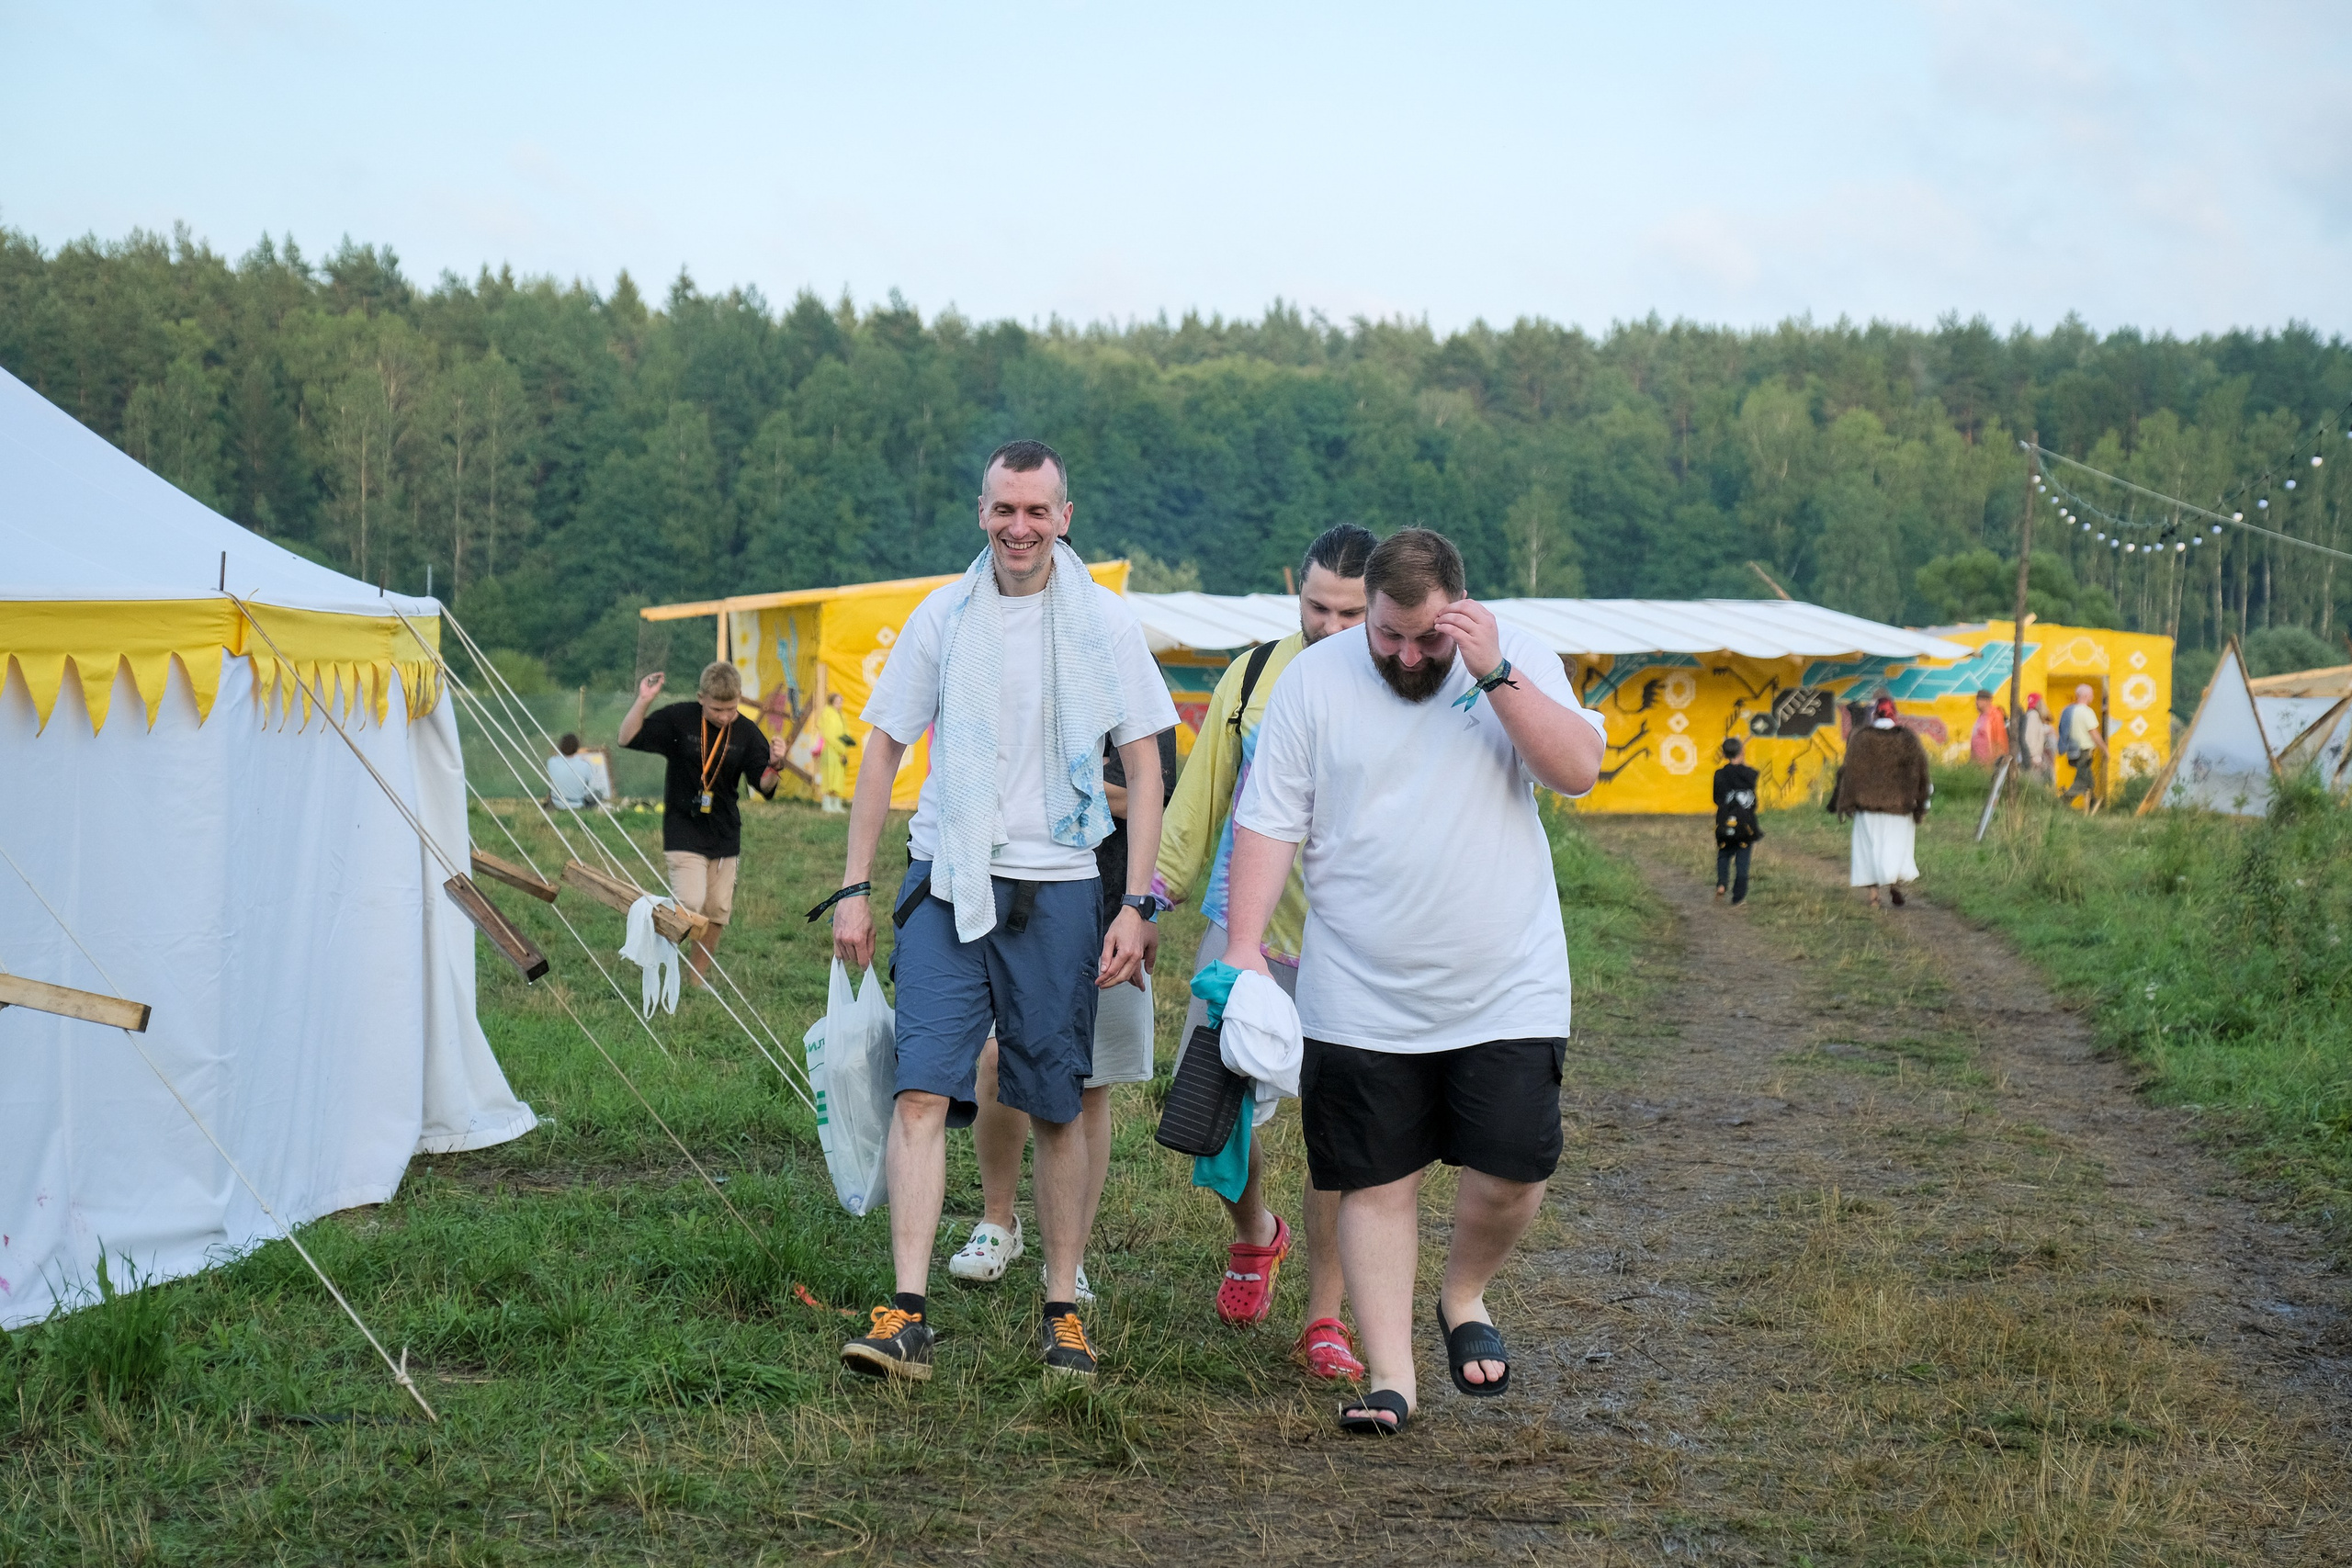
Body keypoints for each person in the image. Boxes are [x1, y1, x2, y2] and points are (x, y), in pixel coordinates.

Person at [1218, 527, 1607, 1436]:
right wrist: (1241, 952)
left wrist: (1496, 674)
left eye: (1425, 639)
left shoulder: (1515, 655)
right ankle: (1390, 1377)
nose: (1402, 654)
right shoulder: (1314, 686)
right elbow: (1267, 824)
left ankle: (1463, 1294)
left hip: (1506, 980)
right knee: (1373, 1178)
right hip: (1357, 985)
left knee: (1512, 1168)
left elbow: (1578, 770)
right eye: (1385, 635)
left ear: (1460, 612)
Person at [827, 438, 1177, 1383]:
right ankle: (905, 1313)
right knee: (922, 1088)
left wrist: (1137, 900)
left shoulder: (1103, 625)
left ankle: (1061, 1307)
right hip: (950, 879)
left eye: (1036, 512)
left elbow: (1144, 767)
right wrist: (856, 888)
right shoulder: (943, 616)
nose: (1017, 528)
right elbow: (882, 750)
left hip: (1063, 883)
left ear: (1065, 518)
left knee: (1054, 1100)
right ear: (979, 513)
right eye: (1001, 510)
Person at [1151, 522, 1374, 1381]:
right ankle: (1256, 1234)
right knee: (1212, 1114)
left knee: (1341, 1131)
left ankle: (1326, 1316)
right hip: (1247, 928)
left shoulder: (1407, 680)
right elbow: (1199, 798)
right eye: (1317, 607)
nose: (1331, 626)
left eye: (1351, 613)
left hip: (1356, 944)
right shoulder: (1254, 674)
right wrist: (1148, 900)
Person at [950, 724, 1179, 1301]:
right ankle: (998, 1221)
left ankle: (1068, 1254)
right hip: (1014, 899)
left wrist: (1054, 785)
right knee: (999, 1058)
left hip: (1111, 910)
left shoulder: (1132, 686)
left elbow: (1152, 794)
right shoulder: (1025, 660)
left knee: (1088, 1083)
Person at [619, 662, 781, 984]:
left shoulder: (747, 732)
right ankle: (653, 953)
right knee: (690, 904)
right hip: (683, 826)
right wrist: (644, 699)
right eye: (717, 709)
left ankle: (696, 979)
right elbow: (627, 738)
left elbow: (763, 786)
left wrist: (776, 765)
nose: (724, 716)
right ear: (700, 698)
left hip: (724, 830)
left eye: (731, 709)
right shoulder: (679, 719)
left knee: (717, 910)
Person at [1832, 695, 1930, 909]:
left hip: (1867, 807)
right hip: (1899, 808)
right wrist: (1921, 804)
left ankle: (1873, 898)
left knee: (1868, 851)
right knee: (1894, 848)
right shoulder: (1907, 739)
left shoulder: (1860, 738)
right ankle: (1893, 883)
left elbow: (1849, 773)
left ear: (1874, 713)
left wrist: (1845, 802)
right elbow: (1920, 772)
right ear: (1894, 713)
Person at [1712, 737, 1761, 906]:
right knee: (1742, 863)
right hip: (1745, 826)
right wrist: (1743, 758)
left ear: (1724, 754)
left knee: (1723, 855)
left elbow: (1716, 799)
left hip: (1725, 823)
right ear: (1742, 752)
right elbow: (1749, 778)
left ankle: (1721, 883)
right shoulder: (1750, 774)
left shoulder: (1719, 774)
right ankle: (1738, 897)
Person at [2057, 683, 2106, 807]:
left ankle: (2093, 805)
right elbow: (2094, 733)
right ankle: (2060, 803)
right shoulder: (2087, 712)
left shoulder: (2067, 710)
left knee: (2088, 781)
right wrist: (2105, 749)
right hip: (2084, 751)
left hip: (2072, 751)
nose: (2093, 697)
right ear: (2085, 695)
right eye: (2091, 695)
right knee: (2081, 782)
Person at [816, 691, 856, 814]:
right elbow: (828, 734)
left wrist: (846, 744)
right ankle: (827, 803)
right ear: (832, 702)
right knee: (830, 777)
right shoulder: (827, 714)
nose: (840, 704)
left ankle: (836, 804)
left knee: (838, 777)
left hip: (841, 751)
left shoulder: (841, 715)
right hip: (831, 750)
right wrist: (839, 747)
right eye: (838, 701)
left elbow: (845, 731)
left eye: (841, 702)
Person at [547, 732, 603, 810]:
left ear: (560, 746)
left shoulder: (551, 762)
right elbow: (590, 783)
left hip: (557, 802)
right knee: (598, 793)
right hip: (577, 804)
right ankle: (586, 809)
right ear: (577, 747)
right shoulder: (584, 765)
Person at [1969, 688, 2010, 766]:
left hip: (1989, 763)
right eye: (1977, 699)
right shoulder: (1981, 716)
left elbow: (2000, 740)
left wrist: (1996, 761)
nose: (1976, 702)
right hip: (1977, 762)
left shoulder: (1995, 716)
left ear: (1987, 701)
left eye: (1979, 699)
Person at [2021, 693, 2057, 782]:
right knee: (2034, 784)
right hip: (2034, 758)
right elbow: (2029, 736)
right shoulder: (2033, 715)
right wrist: (2033, 755)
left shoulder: (2031, 715)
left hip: (2033, 757)